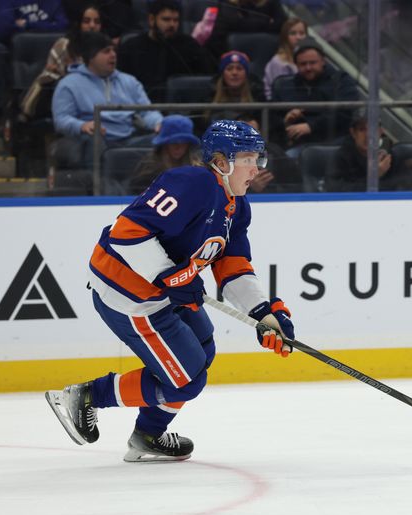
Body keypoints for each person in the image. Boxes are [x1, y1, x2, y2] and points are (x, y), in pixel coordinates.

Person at [45, 119, 296, 462]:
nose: (256, 168)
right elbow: (126, 233)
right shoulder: (192, 183)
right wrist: (171, 277)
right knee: (186, 380)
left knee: (202, 352)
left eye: (258, 159)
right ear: (221, 162)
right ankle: (86, 396)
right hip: (130, 295)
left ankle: (148, 435)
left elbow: (233, 265)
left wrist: (264, 314)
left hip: (163, 291)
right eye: (248, 159)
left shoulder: (237, 206)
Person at [51, 31, 163, 173]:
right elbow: (61, 119)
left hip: (128, 139)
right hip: (94, 140)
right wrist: (82, 125)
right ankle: (100, 193)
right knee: (94, 143)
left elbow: (147, 112)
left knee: (160, 139)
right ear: (91, 57)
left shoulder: (129, 81)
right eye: (106, 51)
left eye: (113, 50)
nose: (113, 55)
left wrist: (159, 123)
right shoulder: (68, 84)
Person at [270, 37, 360, 155]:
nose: (308, 68)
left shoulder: (341, 80)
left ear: (323, 61)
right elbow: (272, 120)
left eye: (312, 63)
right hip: (299, 144)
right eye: (303, 64)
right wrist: (286, 120)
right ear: (295, 64)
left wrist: (311, 126)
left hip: (336, 141)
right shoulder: (284, 86)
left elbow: (344, 113)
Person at [0, 0, 68, 125]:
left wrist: (26, 24)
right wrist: (45, 25)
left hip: (43, 52)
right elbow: (3, 28)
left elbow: (63, 26)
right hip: (8, 50)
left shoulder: (52, 2)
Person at [116, 0, 215, 102]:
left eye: (176, 20)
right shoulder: (131, 47)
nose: (172, 25)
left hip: (181, 109)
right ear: (151, 19)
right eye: (166, 19)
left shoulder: (190, 45)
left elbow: (205, 81)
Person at [19, 4, 101, 120]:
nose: (92, 26)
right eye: (86, 21)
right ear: (78, 24)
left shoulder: (106, 48)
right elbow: (52, 74)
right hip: (64, 98)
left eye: (97, 22)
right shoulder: (64, 45)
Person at [325, 108, 394, 192]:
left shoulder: (389, 156)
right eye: (362, 129)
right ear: (353, 133)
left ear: (380, 132)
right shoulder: (341, 158)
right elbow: (334, 190)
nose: (368, 135)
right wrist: (373, 177)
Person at [129, 114, 201, 194]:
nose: (178, 147)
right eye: (173, 142)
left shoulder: (197, 169)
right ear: (164, 144)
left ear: (189, 145)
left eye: (183, 142)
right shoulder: (147, 170)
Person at [205, 0, 287, 58]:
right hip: (226, 53)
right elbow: (235, 23)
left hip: (264, 53)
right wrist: (265, 22)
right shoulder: (228, 3)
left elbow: (282, 23)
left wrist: (249, 23)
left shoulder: (271, 2)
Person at [207, 50, 265, 123]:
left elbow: (273, 126)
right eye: (229, 69)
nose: (234, 73)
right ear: (223, 74)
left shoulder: (258, 98)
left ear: (246, 74)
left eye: (239, 68)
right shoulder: (210, 99)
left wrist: (258, 126)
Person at [263, 17, 307, 100]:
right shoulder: (278, 62)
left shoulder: (310, 59)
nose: (298, 37)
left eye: (302, 33)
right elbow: (281, 93)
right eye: (293, 33)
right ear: (285, 37)